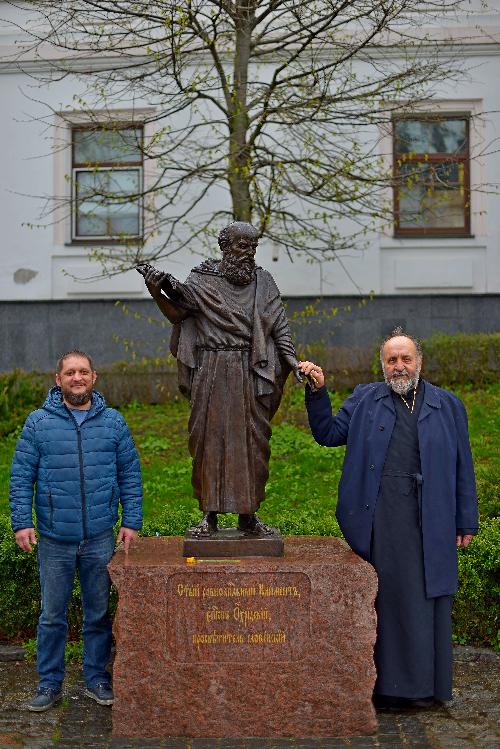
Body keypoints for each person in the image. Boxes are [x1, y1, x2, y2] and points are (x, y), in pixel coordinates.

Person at [299, 327, 478, 708]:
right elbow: (328, 434)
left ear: (419, 362)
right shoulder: (365, 399)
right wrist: (317, 391)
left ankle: (428, 689)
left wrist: (466, 520)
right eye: (391, 360)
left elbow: (464, 466)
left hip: (433, 517)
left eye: (405, 359)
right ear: (383, 365)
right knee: (390, 602)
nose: (399, 366)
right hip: (383, 519)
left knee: (429, 600)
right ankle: (387, 691)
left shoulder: (447, 405)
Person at [138, 221, 301, 535]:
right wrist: (155, 290)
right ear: (225, 247)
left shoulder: (264, 281)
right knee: (207, 442)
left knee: (253, 443)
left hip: (250, 370)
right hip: (211, 368)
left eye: (253, 246)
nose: (248, 252)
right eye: (242, 245)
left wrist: (294, 363)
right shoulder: (201, 279)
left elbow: (279, 327)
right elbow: (178, 313)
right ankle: (209, 515)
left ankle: (248, 516)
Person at [10, 350, 143, 712]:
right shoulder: (38, 423)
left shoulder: (113, 423)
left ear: (94, 377)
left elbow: (130, 475)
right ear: (59, 380)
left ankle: (96, 678)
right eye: (70, 372)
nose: (77, 377)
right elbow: (21, 477)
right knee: (52, 616)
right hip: (54, 539)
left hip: (100, 538)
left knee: (98, 614)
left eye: (83, 371)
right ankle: (49, 683)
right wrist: (22, 521)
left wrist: (131, 521)